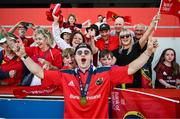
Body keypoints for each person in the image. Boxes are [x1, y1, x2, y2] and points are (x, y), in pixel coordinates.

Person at [9, 28, 158, 118]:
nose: (82, 55)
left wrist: (148, 51)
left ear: (90, 57)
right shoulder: (65, 74)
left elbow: (131, 68)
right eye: (79, 52)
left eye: (86, 52)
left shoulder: (106, 72)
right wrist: (23, 55)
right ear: (75, 57)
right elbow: (39, 71)